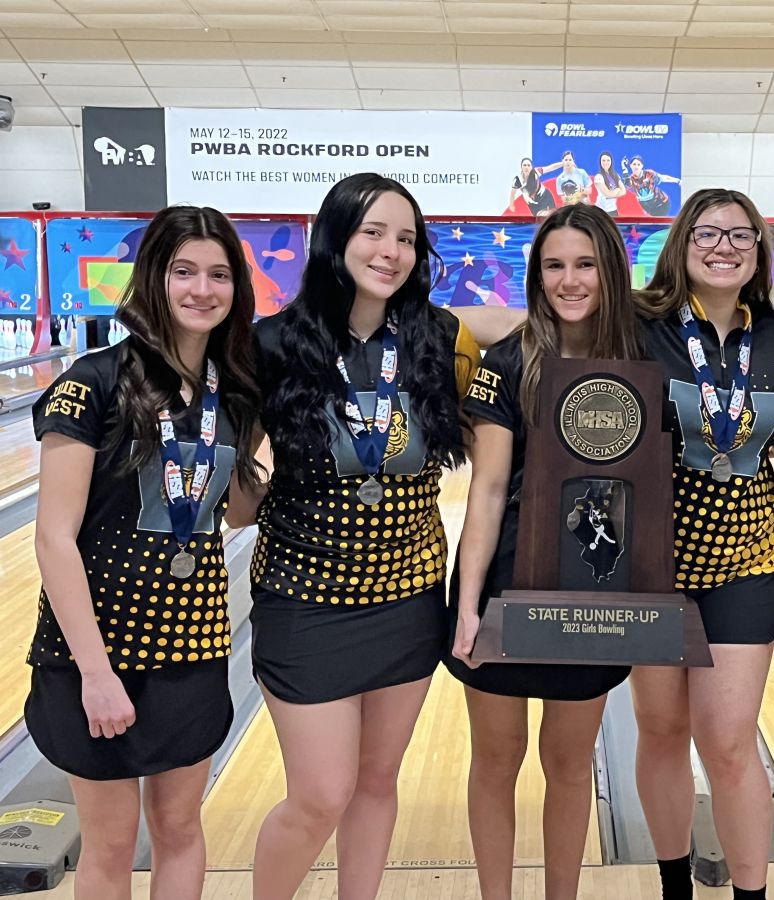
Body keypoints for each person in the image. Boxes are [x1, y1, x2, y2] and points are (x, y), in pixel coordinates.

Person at [243, 173, 480, 900]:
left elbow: (526, 323)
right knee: (320, 794)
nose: (391, 250)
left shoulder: (439, 337)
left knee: (377, 782)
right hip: (303, 597)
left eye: (406, 238)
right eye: (374, 232)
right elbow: (232, 472)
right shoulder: (275, 343)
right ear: (336, 237)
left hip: (407, 595)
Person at [26, 205, 263, 900]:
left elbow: (233, 504)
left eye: (219, 275)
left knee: (182, 827)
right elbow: (53, 537)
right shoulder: (92, 383)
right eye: (183, 271)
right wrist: (96, 674)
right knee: (108, 843)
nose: (201, 289)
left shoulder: (235, 394)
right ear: (152, 279)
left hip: (190, 645)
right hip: (92, 654)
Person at [447, 203, 642, 900]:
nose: (569, 279)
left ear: (611, 271)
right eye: (554, 265)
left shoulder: (638, 358)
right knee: (497, 760)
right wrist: (467, 608)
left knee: (569, 761)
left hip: (594, 583)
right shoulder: (508, 362)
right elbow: (490, 489)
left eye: (585, 263)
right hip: (507, 582)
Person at [633, 188, 774, 900]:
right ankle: (675, 888)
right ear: (681, 243)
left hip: (746, 560)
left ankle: (751, 895)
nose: (724, 246)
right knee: (662, 731)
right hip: (652, 562)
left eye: (741, 235)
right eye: (708, 233)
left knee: (729, 740)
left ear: (758, 251)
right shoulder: (642, 327)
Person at [593, 150, 627, 216]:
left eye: (608, 160)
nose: (606, 162)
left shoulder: (616, 175)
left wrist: (611, 193)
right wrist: (617, 189)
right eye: (603, 160)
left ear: (611, 161)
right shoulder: (598, 177)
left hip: (613, 210)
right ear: (600, 162)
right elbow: (607, 194)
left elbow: (623, 191)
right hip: (600, 211)